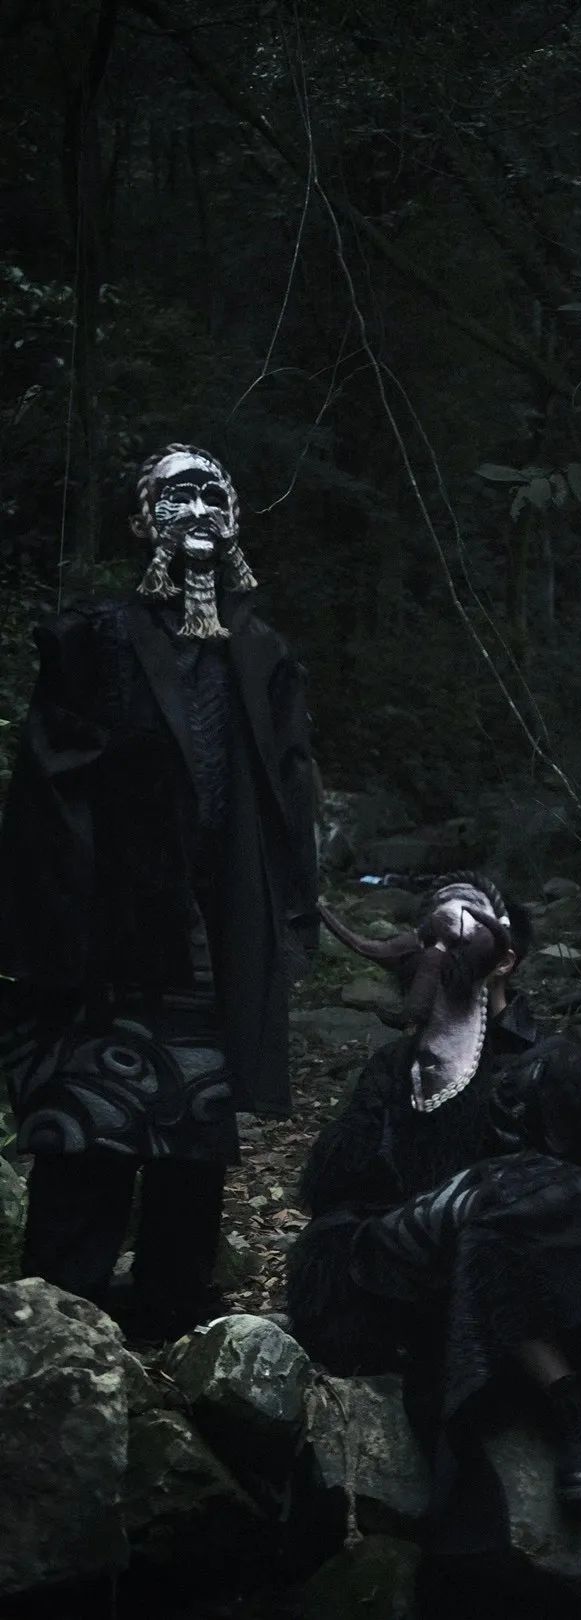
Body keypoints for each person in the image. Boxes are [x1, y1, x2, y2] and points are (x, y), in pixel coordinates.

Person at [0, 443, 318, 1342]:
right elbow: (47, 791)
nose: (199, 511)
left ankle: (174, 1323)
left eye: (215, 493)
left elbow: (288, 791)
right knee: (89, 1122)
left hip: (212, 927)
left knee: (196, 1123)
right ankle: (61, 1319)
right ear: (145, 520)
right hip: (105, 929)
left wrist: (288, 914)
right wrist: (52, 929)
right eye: (178, 496)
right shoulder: (92, 638)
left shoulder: (262, 653)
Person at [288, 871, 581, 1542]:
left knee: (579, 1195)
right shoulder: (397, 1067)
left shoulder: (549, 1062)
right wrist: (412, 1080)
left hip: (541, 1271)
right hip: (423, 1263)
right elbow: (331, 1187)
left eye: (460, 929)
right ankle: (571, 1409)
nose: (441, 947)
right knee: (490, 1202)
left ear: (505, 959)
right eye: (431, 933)